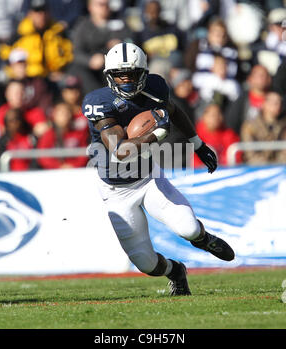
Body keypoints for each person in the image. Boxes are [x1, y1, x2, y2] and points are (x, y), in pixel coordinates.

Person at [82, 42, 234, 296]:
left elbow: (173, 111)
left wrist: (197, 144)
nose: (126, 80)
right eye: (120, 74)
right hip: (116, 191)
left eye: (131, 74)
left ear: (143, 73)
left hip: (148, 178)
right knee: (146, 263)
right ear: (110, 76)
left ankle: (202, 239)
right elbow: (120, 151)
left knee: (189, 228)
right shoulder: (99, 103)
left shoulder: (155, 87)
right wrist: (156, 134)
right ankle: (176, 271)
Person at [69, 0, 134, 94]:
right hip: (91, 69)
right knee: (79, 70)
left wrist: (121, 44)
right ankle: (97, 98)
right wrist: (90, 60)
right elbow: (76, 52)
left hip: (116, 65)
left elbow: (132, 41)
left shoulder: (120, 23)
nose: (105, 7)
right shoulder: (83, 26)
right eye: (100, 4)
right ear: (90, 7)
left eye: (107, 4)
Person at [0, 0, 73, 80]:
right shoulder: (20, 34)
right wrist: (14, 72)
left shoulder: (58, 32)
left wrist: (63, 72)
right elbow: (4, 57)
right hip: (28, 79)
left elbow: (70, 55)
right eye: (37, 12)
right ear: (30, 14)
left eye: (44, 11)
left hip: (53, 79)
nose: (41, 15)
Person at [240, 91, 286, 165]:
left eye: (280, 102)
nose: (278, 106)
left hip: (281, 168)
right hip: (256, 168)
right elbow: (250, 154)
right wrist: (266, 165)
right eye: (274, 103)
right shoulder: (250, 126)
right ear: (264, 104)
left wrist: (277, 164)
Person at [37, 102, 89, 169]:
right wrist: (59, 166)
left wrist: (73, 166)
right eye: (61, 113)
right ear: (55, 116)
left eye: (67, 113)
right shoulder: (49, 134)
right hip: (54, 172)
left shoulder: (78, 133)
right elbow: (43, 156)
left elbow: (83, 153)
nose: (64, 116)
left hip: (75, 171)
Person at [225, 64, 272, 135]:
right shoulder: (241, 101)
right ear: (250, 79)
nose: (261, 78)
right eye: (258, 75)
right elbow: (231, 124)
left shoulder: (276, 100)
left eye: (264, 75)